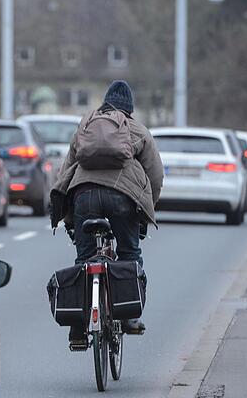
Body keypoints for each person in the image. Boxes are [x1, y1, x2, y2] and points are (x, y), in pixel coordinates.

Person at [50, 80, 164, 347]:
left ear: (104, 103)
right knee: (129, 253)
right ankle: (130, 317)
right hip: (122, 197)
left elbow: (65, 172)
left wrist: (69, 218)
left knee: (84, 258)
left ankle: (78, 328)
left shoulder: (86, 126)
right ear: (129, 109)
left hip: (83, 195)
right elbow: (155, 176)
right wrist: (146, 210)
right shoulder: (137, 129)